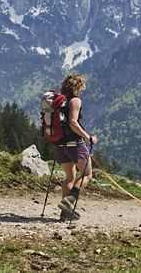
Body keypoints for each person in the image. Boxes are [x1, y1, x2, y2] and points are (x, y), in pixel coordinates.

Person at [55, 72, 98, 221]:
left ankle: (65, 213)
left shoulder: (59, 101)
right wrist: (88, 137)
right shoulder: (75, 101)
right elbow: (73, 122)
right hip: (74, 144)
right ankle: (68, 202)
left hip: (60, 144)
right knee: (87, 174)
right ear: (78, 86)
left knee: (70, 177)